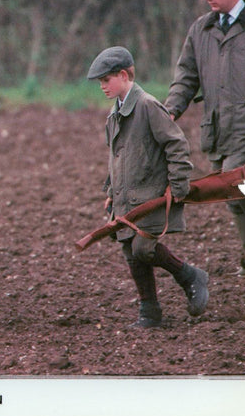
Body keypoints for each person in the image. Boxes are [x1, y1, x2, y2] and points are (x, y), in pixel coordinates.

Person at [165, 0, 245, 275]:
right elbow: (186, 75)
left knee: (236, 178)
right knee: (229, 192)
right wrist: (172, 107)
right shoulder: (201, 29)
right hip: (217, 126)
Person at [88, 46, 209, 328]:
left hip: (151, 195)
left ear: (123, 75)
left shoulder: (147, 105)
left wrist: (179, 187)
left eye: (106, 80)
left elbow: (176, 144)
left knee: (143, 248)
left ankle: (189, 275)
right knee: (130, 252)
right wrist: (110, 193)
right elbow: (115, 158)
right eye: (100, 82)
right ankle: (149, 312)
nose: (103, 86)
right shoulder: (114, 113)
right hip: (125, 198)